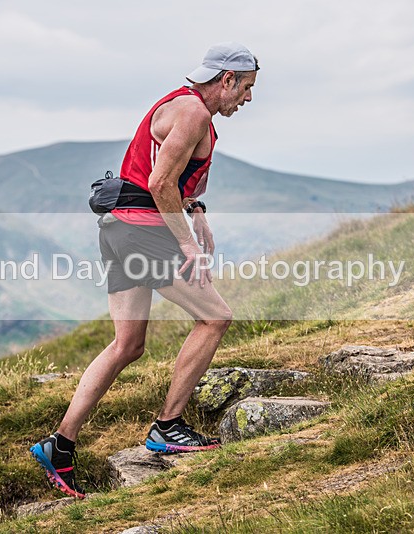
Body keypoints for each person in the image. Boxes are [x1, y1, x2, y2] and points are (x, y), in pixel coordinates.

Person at [30, 42, 259, 499]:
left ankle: (60, 445)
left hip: (117, 229)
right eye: (247, 88)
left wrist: (196, 209)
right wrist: (186, 245)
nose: (249, 99)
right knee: (216, 317)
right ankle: (168, 426)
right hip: (142, 232)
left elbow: (164, 177)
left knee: (127, 344)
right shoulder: (193, 113)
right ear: (227, 79)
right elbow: (157, 183)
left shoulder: (180, 106)